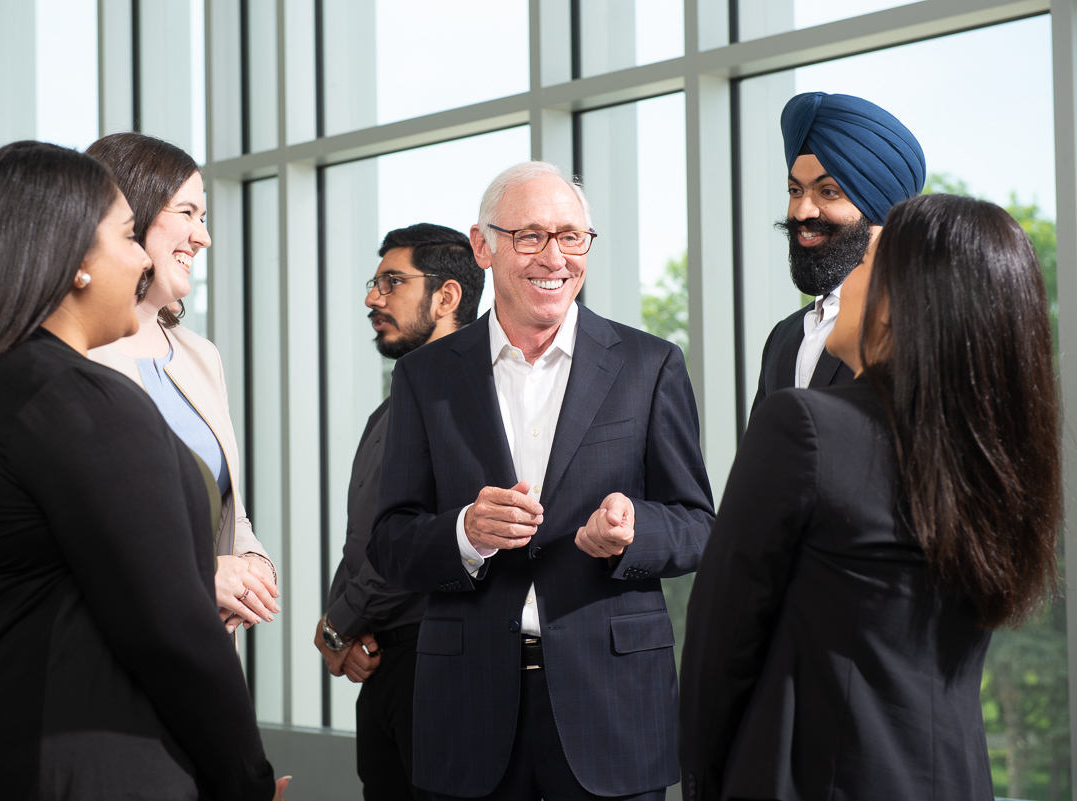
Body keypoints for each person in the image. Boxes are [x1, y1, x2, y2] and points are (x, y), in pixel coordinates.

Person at [0, 141, 289, 800]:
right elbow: (174, 632)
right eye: (130, 236)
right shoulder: (77, 402)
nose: (140, 259)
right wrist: (248, 780)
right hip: (74, 765)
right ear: (75, 263)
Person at [679, 193, 1062, 801]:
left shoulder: (804, 427)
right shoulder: (999, 466)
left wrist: (703, 781)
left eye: (860, 267)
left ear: (898, 305)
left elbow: (717, 645)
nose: (842, 283)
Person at [367, 161, 716, 800]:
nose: (555, 258)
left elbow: (697, 524)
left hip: (612, 711)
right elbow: (388, 542)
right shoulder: (424, 376)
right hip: (466, 710)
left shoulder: (650, 365)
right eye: (530, 237)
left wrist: (634, 532)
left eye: (572, 237)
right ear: (484, 247)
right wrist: (465, 534)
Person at [315, 223, 485, 800]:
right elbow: (364, 540)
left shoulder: (469, 402)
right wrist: (345, 628)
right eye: (374, 281)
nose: (372, 298)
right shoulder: (388, 411)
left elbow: (417, 547)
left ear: (446, 297)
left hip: (440, 662)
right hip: (384, 661)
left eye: (392, 282)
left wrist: (340, 624)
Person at [85, 132, 278, 633]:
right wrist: (196, 573)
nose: (203, 236)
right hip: (108, 643)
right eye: (188, 213)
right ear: (131, 213)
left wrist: (255, 566)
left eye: (204, 218)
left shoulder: (200, 357)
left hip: (197, 646)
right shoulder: (70, 354)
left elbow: (224, 513)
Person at [752, 91, 925, 415]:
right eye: (795, 190)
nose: (802, 210)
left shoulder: (922, 326)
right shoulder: (784, 336)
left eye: (828, 191)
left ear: (878, 203)